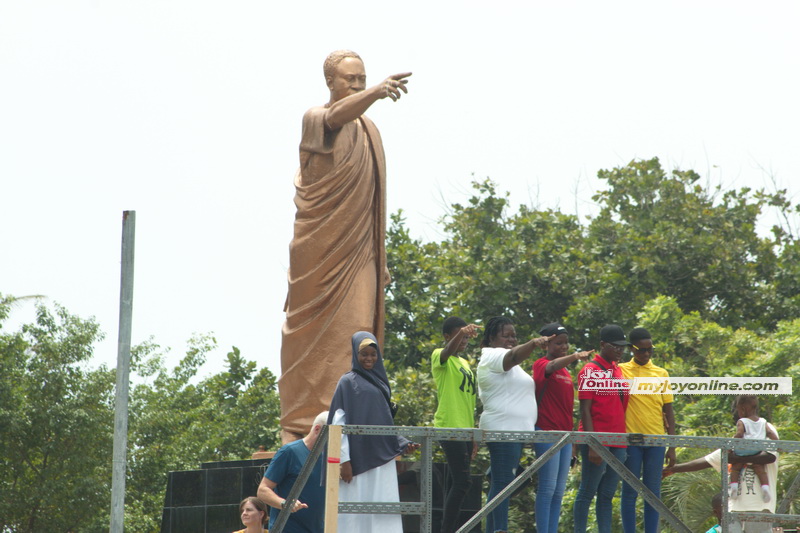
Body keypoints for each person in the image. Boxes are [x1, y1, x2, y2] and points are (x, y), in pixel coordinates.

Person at [279, 50, 412, 441]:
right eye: (350, 80)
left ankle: (357, 420)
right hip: (319, 254)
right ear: (330, 83)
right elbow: (337, 117)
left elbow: (376, 199)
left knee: (360, 333)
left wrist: (380, 254)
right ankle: (308, 424)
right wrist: (374, 92)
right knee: (314, 337)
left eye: (362, 78)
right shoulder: (316, 119)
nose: (357, 85)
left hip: (360, 252)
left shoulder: (370, 131)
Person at [327, 331, 419, 532]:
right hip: (357, 459)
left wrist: (402, 443)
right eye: (364, 354)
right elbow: (338, 423)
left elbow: (383, 421)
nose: (369, 358)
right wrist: (344, 460)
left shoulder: (380, 381)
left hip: (381, 459)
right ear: (355, 354)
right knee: (355, 509)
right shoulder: (347, 382)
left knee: (382, 507)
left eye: (373, 354)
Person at [477, 316, 552, 533]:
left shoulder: (511, 364)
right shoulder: (492, 355)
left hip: (514, 431)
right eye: (506, 335)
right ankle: (498, 529)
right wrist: (532, 343)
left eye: (514, 336)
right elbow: (512, 355)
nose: (511, 339)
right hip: (503, 429)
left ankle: (496, 529)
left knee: (504, 481)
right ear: (492, 338)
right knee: (502, 483)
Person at [663, 403, 780, 533]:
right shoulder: (735, 442)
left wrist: (737, 458)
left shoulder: (765, 428)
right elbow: (707, 461)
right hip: (733, 508)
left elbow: (769, 457)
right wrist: (673, 469)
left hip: (759, 507)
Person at [531, 323, 592, 533]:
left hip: (566, 436)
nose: (564, 346)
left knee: (558, 490)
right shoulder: (540, 364)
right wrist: (575, 356)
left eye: (566, 343)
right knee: (546, 488)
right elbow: (551, 367)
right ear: (546, 344)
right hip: (547, 431)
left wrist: (573, 441)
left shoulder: (566, 372)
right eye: (558, 343)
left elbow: (568, 408)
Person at [573, 324, 630, 533]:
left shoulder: (617, 369)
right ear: (602, 345)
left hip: (617, 439)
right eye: (615, 346)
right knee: (587, 491)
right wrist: (593, 444)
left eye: (622, 346)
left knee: (607, 494)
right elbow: (585, 410)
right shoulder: (590, 370)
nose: (620, 350)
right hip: (597, 440)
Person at [618, 327, 676, 533]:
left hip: (656, 441)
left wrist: (672, 447)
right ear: (632, 349)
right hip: (631, 440)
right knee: (630, 491)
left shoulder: (661, 373)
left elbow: (669, 411)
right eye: (641, 350)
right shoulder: (621, 370)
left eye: (650, 349)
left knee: (653, 492)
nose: (646, 354)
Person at [431, 316, 480, 533]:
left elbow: (468, 400)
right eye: (460, 335)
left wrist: (473, 434)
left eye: (467, 335)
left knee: (454, 482)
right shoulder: (440, 357)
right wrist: (461, 332)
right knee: (463, 482)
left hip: (465, 428)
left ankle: (447, 527)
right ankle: (448, 529)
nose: (465, 339)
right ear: (447, 337)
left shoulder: (464, 363)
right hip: (449, 426)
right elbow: (445, 352)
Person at [257, 411, 327, 532]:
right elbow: (263, 490)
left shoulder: (329, 458)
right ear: (317, 429)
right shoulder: (289, 452)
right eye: (332, 436)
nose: (338, 441)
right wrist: (285, 503)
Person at [729, 395, 778, 502]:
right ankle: (765, 489)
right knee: (760, 470)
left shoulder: (742, 421)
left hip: (744, 449)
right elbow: (770, 433)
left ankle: (734, 488)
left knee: (735, 468)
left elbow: (740, 434)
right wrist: (778, 444)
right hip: (758, 450)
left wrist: (731, 445)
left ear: (742, 409)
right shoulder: (763, 421)